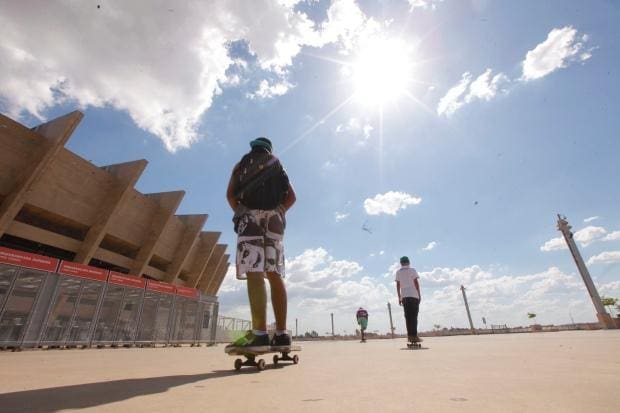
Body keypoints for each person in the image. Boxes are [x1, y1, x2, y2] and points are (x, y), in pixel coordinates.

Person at [225, 137, 296, 350]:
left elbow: (230, 195)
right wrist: (278, 211)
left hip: (249, 220)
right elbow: (292, 197)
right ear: (269, 149)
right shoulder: (277, 164)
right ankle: (282, 334)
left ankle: (260, 333)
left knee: (255, 274)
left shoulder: (241, 165)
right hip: (274, 220)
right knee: (274, 273)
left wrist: (243, 213)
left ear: (252, 147)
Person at [394, 256, 422, 343]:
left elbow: (398, 285)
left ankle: (410, 336)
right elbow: (416, 283)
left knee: (408, 317)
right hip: (413, 295)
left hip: (405, 297)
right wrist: (419, 294)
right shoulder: (412, 270)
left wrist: (399, 297)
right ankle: (414, 336)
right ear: (409, 262)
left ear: (401, 263)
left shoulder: (398, 272)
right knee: (414, 316)